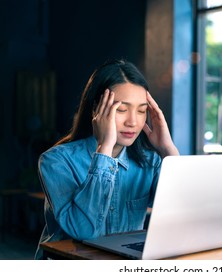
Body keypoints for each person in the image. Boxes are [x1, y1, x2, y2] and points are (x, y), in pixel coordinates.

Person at [34, 59, 179, 259]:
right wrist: (105, 149)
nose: (133, 121)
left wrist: (168, 150)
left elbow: (183, 213)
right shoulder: (55, 161)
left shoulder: (150, 162)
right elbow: (84, 231)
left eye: (141, 110)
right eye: (121, 109)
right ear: (96, 110)